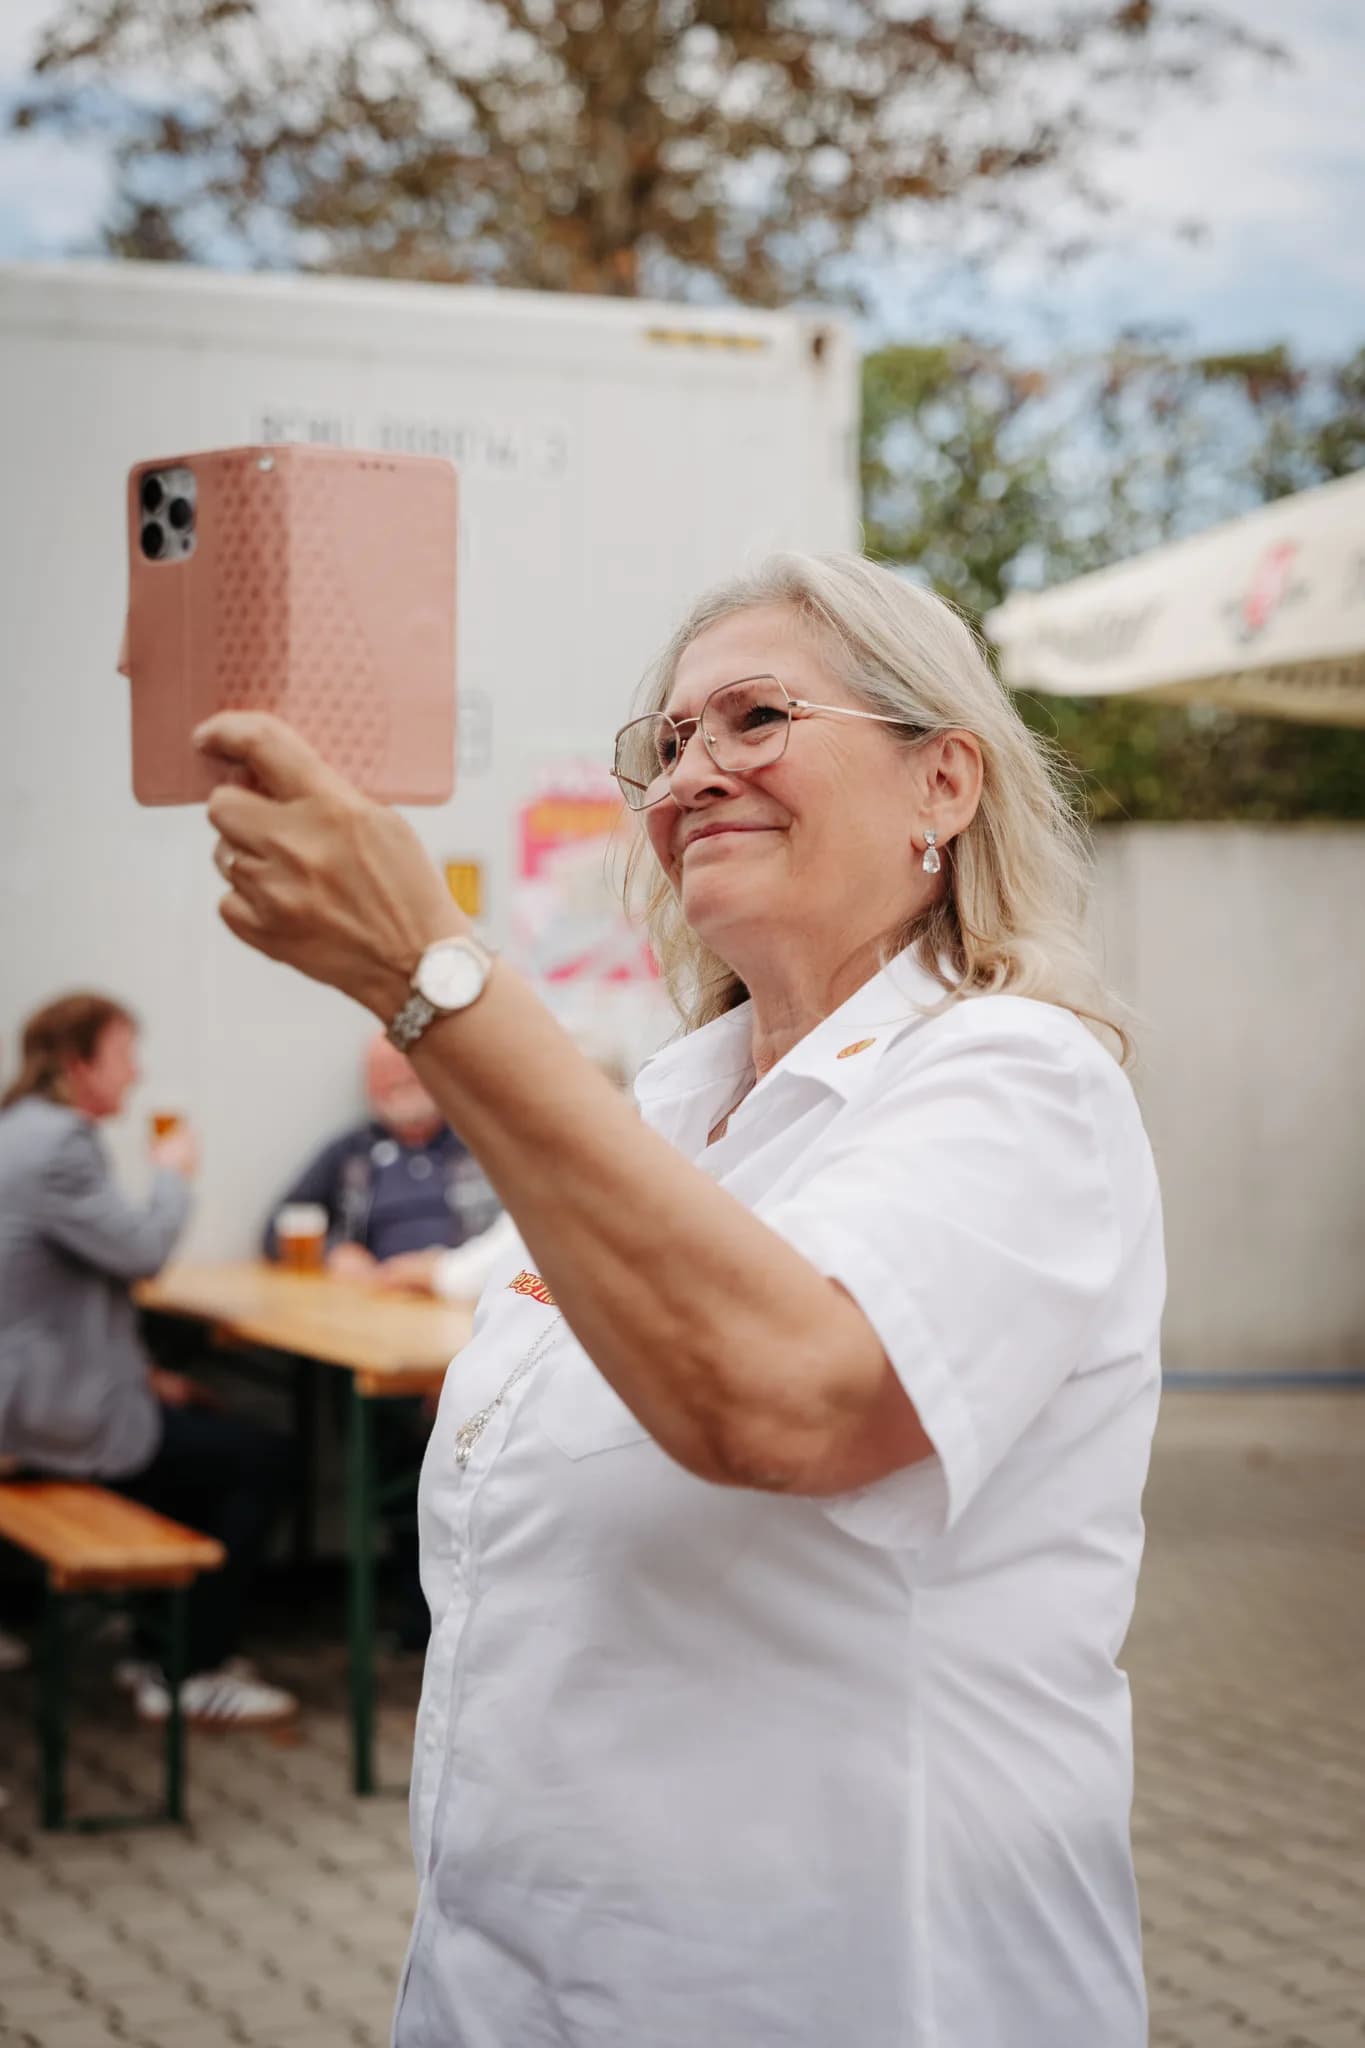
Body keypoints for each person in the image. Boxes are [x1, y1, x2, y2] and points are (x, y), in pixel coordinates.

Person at [198, 552, 1164, 2048]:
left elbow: (786, 1395)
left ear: (945, 783)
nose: (694, 772)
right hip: (525, 1990)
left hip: (851, 1998)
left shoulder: (1019, 1077)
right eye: (669, 743)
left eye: (755, 718)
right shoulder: (671, 1112)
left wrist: (432, 979)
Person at [0, 993, 297, 1727]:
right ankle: (188, 1668)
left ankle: (153, 1642)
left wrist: (147, 1378)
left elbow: (63, 1294)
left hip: (35, 1399)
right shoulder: (61, 1143)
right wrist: (172, 1172)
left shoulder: (20, 1130)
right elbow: (140, 1253)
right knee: (261, 1459)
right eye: (126, 1056)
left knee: (202, 1424)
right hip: (45, 1424)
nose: (137, 1076)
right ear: (79, 1065)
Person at [262, 1032, 501, 1279]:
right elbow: (277, 1229)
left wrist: (448, 1271)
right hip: (374, 1297)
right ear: (368, 1085)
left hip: (465, 1295)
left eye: (406, 1064)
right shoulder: (351, 1152)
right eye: (383, 1070)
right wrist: (333, 1252)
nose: (398, 1078)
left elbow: (521, 1236)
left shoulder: (482, 1145)